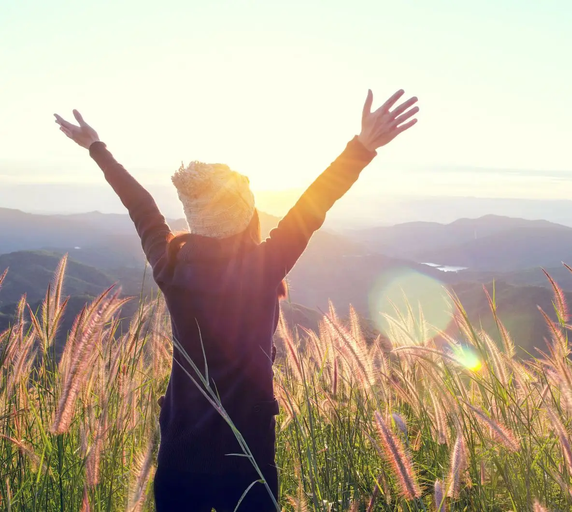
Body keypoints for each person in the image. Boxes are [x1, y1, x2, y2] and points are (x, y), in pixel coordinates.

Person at [54, 89, 419, 511]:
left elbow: (141, 207)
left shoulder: (170, 266)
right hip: (249, 457)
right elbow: (313, 206)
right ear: (246, 214)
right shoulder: (263, 267)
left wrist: (96, 147)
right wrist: (362, 147)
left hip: (181, 453)